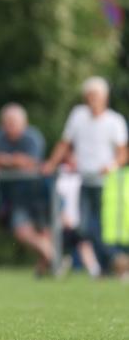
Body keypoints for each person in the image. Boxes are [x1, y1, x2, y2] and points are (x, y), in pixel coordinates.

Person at [42, 77, 128, 273]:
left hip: (108, 183)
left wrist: (111, 166)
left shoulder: (115, 121)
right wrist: (52, 163)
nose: (91, 100)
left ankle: (109, 265)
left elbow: (123, 153)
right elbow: (65, 143)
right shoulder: (78, 116)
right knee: (84, 228)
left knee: (104, 228)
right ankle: (113, 260)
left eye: (95, 96)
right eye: (88, 96)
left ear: (104, 97)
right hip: (85, 180)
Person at [0, 103, 53, 275]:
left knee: (45, 231)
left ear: (24, 123)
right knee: (21, 231)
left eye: (14, 122)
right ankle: (53, 257)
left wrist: (8, 161)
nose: (10, 126)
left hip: (40, 193)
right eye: (7, 122)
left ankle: (46, 268)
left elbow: (30, 163)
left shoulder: (33, 137)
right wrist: (16, 160)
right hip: (15, 196)